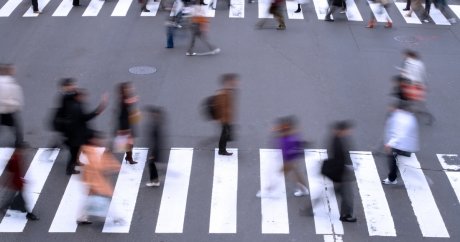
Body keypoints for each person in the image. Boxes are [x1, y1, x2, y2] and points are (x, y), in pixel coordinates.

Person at [78, 133, 121, 224]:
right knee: (106, 198)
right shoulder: (92, 151)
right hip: (95, 180)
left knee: (90, 199)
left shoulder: (89, 151)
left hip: (93, 180)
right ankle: (115, 217)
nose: (100, 141)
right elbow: (99, 165)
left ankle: (82, 217)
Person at [66, 89, 108, 175]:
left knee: (76, 151)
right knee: (74, 153)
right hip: (75, 135)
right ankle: (70, 169)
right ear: (77, 97)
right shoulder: (76, 108)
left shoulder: (74, 105)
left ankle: (76, 162)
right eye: (82, 96)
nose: (83, 98)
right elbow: (85, 118)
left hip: (76, 133)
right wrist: (98, 110)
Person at [325, 121, 357, 222]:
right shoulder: (338, 142)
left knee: (336, 192)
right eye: (346, 130)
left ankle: (310, 208)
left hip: (338, 173)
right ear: (341, 131)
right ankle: (346, 215)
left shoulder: (337, 139)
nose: (349, 132)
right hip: (341, 173)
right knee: (347, 195)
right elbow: (340, 159)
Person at [382, 101, 419, 185]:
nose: (389, 109)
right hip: (403, 143)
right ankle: (393, 177)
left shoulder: (402, 119)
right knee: (397, 159)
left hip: (400, 143)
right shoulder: (407, 117)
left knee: (392, 159)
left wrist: (390, 143)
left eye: (391, 107)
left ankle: (392, 178)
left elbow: (400, 134)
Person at [0, 145, 39, 221]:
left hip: (17, 182)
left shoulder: (18, 157)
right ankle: (29, 214)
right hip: (16, 183)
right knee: (22, 200)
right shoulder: (15, 158)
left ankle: (5, 208)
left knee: (16, 199)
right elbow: (12, 170)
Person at [275, 116, 309, 196]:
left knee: (285, 174)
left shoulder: (290, 136)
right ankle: (303, 189)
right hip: (290, 159)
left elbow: (292, 147)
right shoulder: (288, 134)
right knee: (295, 174)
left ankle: (269, 190)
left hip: (290, 159)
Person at [0, 64, 24, 147]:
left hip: (3, 110)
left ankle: (19, 142)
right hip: (8, 110)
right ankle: (19, 143)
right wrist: (17, 105)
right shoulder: (9, 82)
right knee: (17, 129)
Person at [116, 82, 140, 165]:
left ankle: (129, 157)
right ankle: (129, 158)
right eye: (127, 89)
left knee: (129, 142)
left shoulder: (124, 97)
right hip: (124, 125)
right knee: (128, 143)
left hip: (126, 123)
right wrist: (134, 99)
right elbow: (127, 102)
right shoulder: (123, 98)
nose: (128, 90)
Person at [215, 73, 238, 156]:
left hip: (226, 118)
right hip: (224, 119)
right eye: (233, 81)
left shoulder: (227, 91)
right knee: (224, 134)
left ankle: (222, 149)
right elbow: (222, 108)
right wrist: (225, 120)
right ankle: (222, 150)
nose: (235, 82)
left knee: (225, 134)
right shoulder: (223, 93)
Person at [145, 106, 165, 187]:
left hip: (155, 150)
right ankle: (155, 180)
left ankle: (154, 181)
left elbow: (155, 141)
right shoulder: (157, 123)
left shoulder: (156, 125)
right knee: (152, 165)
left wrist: (152, 153)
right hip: (155, 149)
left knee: (151, 165)